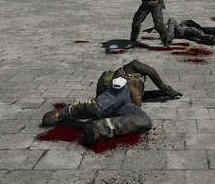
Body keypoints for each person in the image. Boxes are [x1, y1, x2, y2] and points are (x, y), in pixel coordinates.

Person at [41, 60, 181, 144]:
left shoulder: (138, 91)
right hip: (118, 91)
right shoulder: (130, 67)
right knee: (102, 104)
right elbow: (150, 71)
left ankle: (101, 128)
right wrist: (164, 87)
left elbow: (145, 96)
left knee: (145, 121)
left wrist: (163, 94)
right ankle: (62, 113)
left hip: (124, 105)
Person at [147, 18, 215, 45]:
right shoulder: (167, 29)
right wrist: (170, 37)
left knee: (188, 22)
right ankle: (211, 38)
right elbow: (170, 29)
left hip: (180, 27)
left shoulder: (165, 25)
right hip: (180, 31)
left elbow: (160, 26)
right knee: (195, 31)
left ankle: (210, 32)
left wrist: (152, 28)